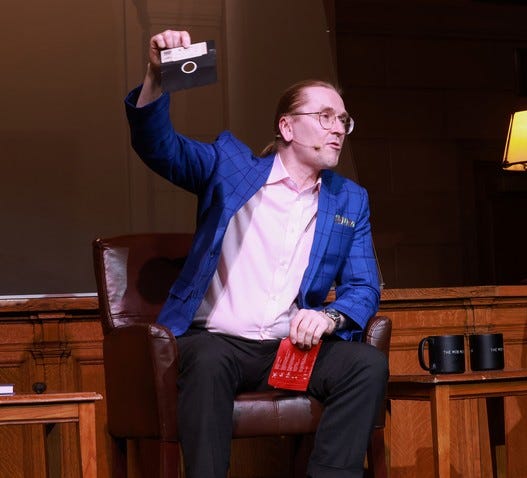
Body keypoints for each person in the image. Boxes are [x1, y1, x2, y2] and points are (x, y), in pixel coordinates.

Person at [124, 29, 388, 478]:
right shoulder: (231, 168)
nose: (338, 129)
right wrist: (157, 77)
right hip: (219, 343)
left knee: (365, 365)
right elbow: (159, 148)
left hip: (289, 348)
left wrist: (330, 317)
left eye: (343, 120)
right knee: (207, 362)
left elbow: (364, 286)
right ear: (287, 127)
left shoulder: (349, 199)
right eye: (325, 116)